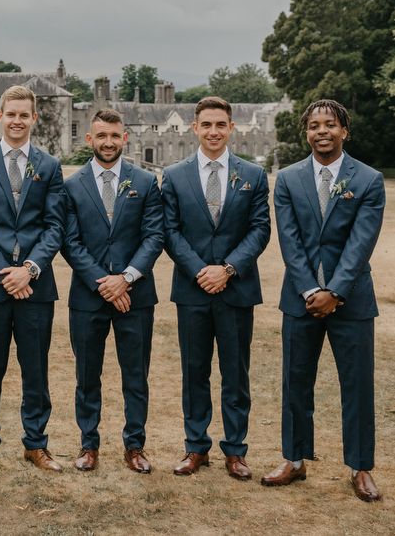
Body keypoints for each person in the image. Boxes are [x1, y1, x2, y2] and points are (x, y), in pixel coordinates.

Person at [261, 99, 385, 502]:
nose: (321, 131)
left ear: (344, 130)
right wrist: (311, 291)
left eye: (329, 124)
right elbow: (290, 241)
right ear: (307, 132)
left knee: (358, 385)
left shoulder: (367, 179)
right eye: (314, 125)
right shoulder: (289, 179)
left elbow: (361, 243)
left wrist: (335, 292)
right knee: (295, 382)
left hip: (352, 302)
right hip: (300, 301)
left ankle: (360, 466)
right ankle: (294, 460)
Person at [161, 96, 270, 480]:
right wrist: (199, 271)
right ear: (195, 127)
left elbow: (260, 230)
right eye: (206, 125)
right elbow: (170, 232)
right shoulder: (174, 176)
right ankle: (195, 447)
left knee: (236, 373)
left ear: (231, 128)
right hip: (192, 291)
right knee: (195, 371)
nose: (213, 131)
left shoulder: (252, 176)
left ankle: (236, 450)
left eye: (220, 125)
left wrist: (227, 269)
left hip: (237, 290)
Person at [0, 85, 65, 473]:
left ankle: (35, 443)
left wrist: (30, 270)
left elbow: (55, 226)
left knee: (35, 368)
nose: (18, 120)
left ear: (34, 118)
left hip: (36, 286)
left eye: (25, 114)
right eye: (12, 114)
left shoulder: (50, 167)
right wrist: (6, 274)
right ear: (0, 116)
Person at [62, 109, 164, 473]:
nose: (108, 142)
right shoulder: (71, 185)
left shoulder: (146, 182)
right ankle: (88, 444)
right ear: (89, 140)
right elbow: (70, 242)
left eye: (115, 136)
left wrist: (128, 278)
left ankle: (135, 445)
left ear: (125, 138)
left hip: (136, 297)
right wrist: (103, 282)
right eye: (101, 136)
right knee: (87, 376)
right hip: (88, 297)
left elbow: (154, 236)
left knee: (135, 375)